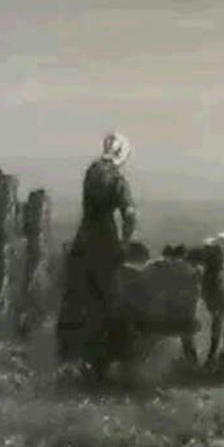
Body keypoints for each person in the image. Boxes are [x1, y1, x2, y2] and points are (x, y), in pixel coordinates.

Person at [66, 132, 138, 374]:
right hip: (104, 244)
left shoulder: (91, 172)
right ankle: (106, 364)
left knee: (80, 300)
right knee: (110, 301)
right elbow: (129, 215)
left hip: (83, 240)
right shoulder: (117, 180)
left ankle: (73, 357)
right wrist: (126, 241)